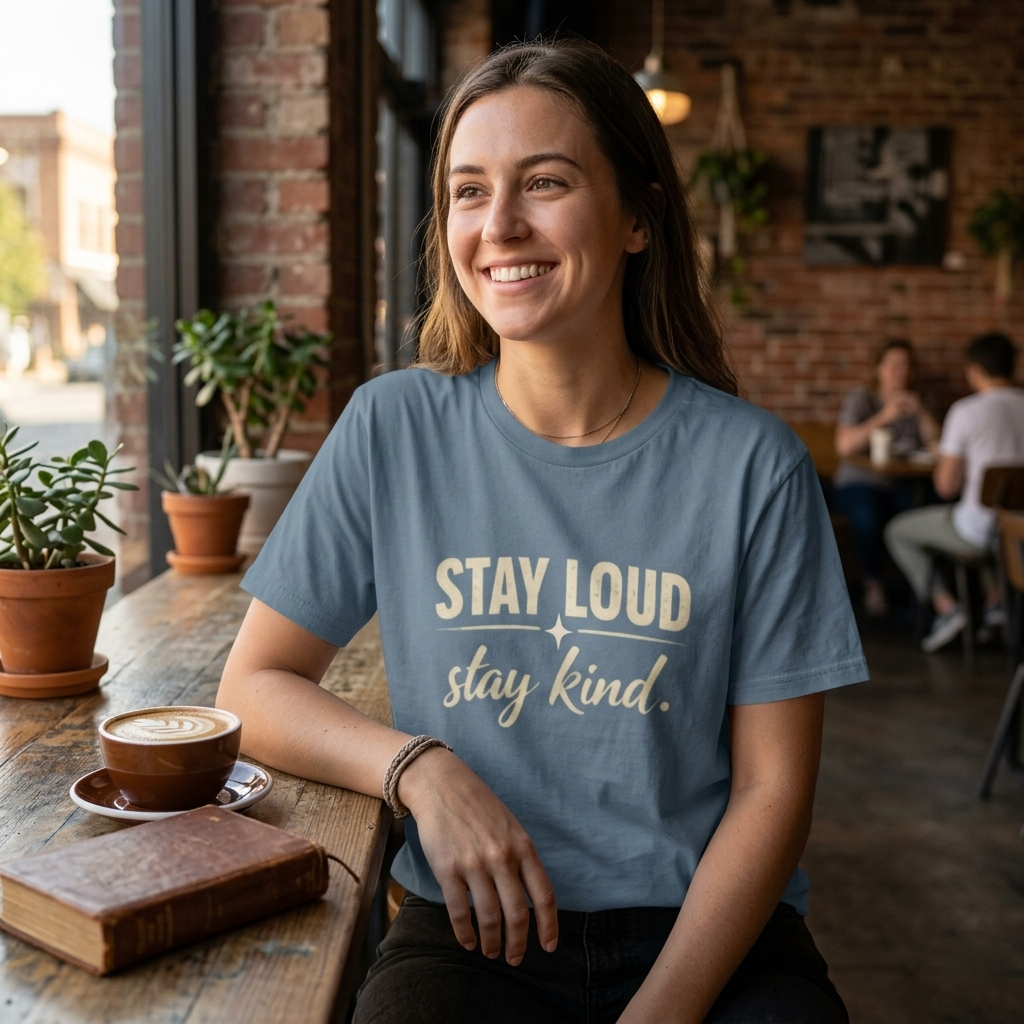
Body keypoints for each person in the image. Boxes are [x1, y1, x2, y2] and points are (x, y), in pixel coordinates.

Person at [216, 40, 867, 1024]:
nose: (499, 225)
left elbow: (774, 796)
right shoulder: (394, 428)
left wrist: (660, 1011)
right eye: (467, 191)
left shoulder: (753, 464)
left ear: (639, 216)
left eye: (546, 182)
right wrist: (418, 769)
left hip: (713, 935)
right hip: (473, 937)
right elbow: (252, 688)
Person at [885, 332, 1024, 653]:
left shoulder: (966, 411)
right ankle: (995, 603)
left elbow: (945, 486)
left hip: (981, 531)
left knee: (897, 530)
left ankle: (948, 609)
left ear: (974, 370)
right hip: (1018, 532)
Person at [832, 341, 939, 617]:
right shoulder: (862, 399)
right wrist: (885, 416)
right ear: (879, 369)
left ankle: (920, 594)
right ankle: (873, 583)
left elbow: (939, 450)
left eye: (905, 366)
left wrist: (922, 413)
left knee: (915, 510)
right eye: (893, 366)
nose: (899, 373)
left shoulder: (919, 401)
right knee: (867, 514)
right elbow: (844, 446)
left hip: (903, 483)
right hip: (858, 483)